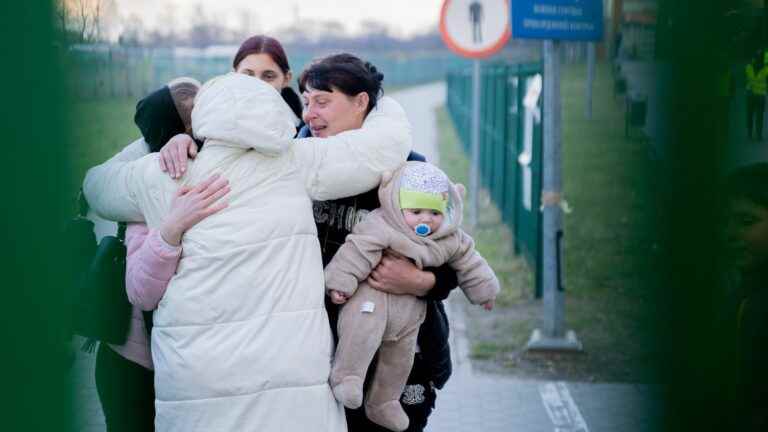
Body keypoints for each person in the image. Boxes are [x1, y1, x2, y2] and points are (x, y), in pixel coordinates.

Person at [83, 72, 412, 431]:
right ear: (271, 113)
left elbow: (97, 184)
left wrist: (155, 143)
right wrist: (383, 104)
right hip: (291, 384)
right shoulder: (297, 162)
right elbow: (387, 145)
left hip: (199, 383)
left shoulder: (162, 174)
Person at [157, 53, 459, 432]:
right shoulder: (285, 160)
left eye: (322, 100)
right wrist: (183, 140)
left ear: (360, 102)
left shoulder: (411, 172)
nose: (310, 113)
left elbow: (455, 255)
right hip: (318, 363)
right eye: (305, 100)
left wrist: (422, 282)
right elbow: (224, 155)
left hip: (396, 363)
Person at [93, 78, 230, 432]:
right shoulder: (156, 180)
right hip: (139, 365)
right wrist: (170, 230)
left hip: (170, 360)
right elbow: (143, 288)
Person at [325, 162, 499, 431]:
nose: (425, 220)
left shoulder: (448, 236)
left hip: (411, 318)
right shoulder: (383, 224)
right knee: (360, 333)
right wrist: (341, 283)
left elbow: (469, 262)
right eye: (416, 212)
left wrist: (481, 290)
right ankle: (347, 377)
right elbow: (357, 250)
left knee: (399, 360)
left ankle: (384, 402)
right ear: (399, 206)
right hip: (370, 304)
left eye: (433, 213)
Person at [162, 35, 304, 179]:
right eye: (247, 75)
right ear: (234, 74)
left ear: (286, 79)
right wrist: (183, 140)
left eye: (268, 77)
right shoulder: (211, 121)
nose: (257, 85)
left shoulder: (306, 129)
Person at [723, 163, 768, 431]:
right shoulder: (748, 290)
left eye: (747, 222)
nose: (729, 234)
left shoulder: (758, 306)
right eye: (725, 222)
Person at [745, 51, 768, 140]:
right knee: (759, 116)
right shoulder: (766, 69)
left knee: (750, 115)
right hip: (760, 96)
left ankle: (750, 134)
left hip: (751, 95)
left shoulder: (748, 67)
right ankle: (758, 134)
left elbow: (746, 80)